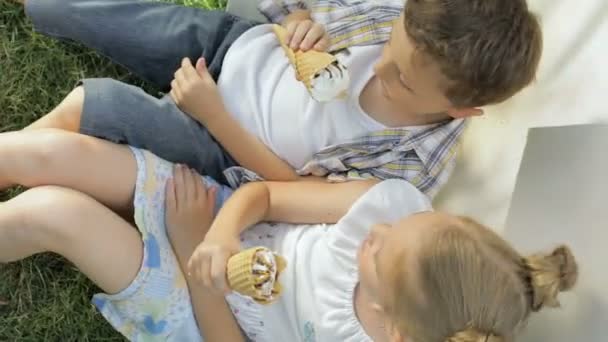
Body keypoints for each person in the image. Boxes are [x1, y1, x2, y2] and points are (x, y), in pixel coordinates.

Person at [0, 130, 578, 341]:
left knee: (55, 214)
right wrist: (219, 233)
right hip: (224, 222)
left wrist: (190, 247)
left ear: (394, 323)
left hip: (197, 314)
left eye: (378, 252)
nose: (373, 232)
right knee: (54, 153)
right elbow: (269, 196)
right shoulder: (398, 208)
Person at [11, 0, 542, 198]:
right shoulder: (398, 15)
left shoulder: (411, 167)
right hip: (230, 47)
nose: (378, 68)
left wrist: (214, 116)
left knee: (99, 103)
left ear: (459, 110)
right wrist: (297, 25)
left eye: (401, 81)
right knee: (85, 9)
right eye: (391, 48)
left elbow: (292, 193)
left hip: (218, 144)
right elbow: (298, 12)